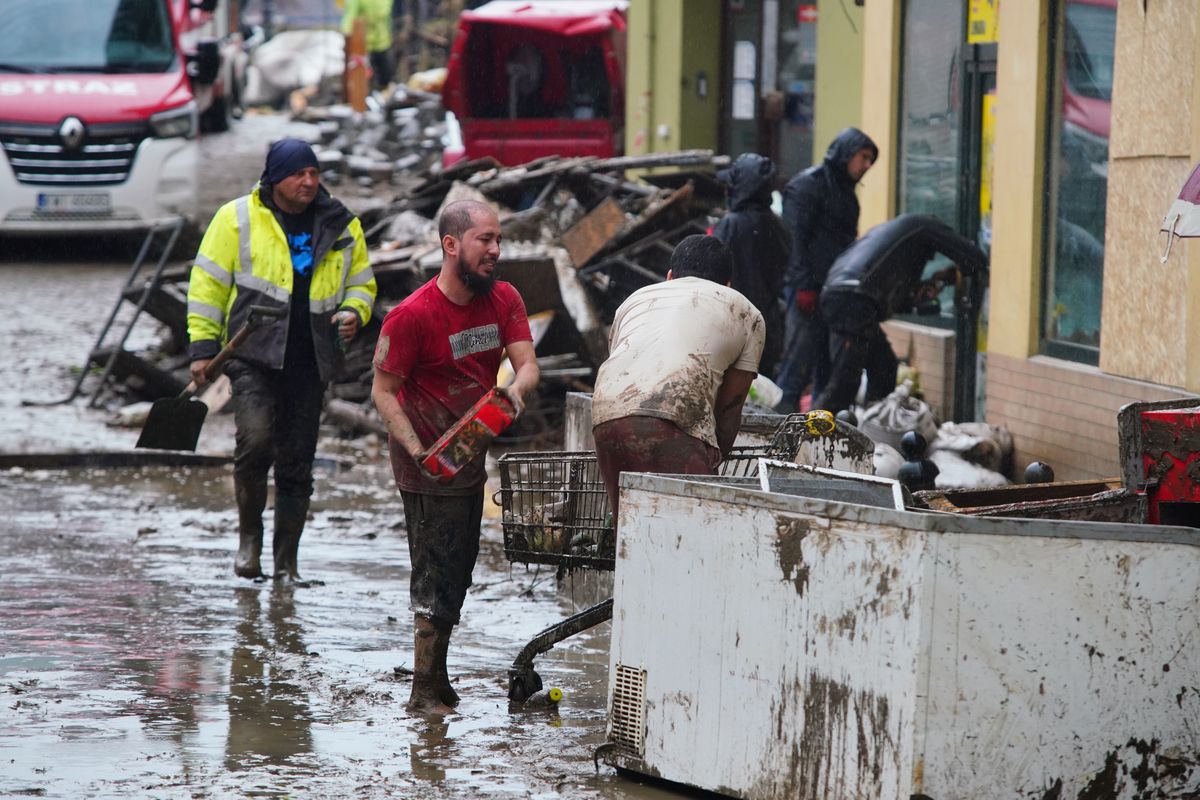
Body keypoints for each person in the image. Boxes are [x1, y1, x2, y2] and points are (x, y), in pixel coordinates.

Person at [371, 199, 540, 716]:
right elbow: (382, 390)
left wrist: (514, 392)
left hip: (469, 453)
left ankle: (438, 679)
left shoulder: (504, 298)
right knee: (434, 569)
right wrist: (417, 449)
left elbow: (528, 364)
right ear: (451, 245)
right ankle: (423, 691)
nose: (495, 250)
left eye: (498, 240)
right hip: (426, 461)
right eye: (484, 240)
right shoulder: (411, 315)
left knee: (459, 567)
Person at [187, 138, 377, 583]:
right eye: (298, 174)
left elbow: (362, 284)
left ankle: (286, 563)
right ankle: (249, 540)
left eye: (314, 173)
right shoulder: (235, 219)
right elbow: (207, 285)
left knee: (297, 462)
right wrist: (202, 348)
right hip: (251, 354)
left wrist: (353, 311)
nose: (309, 182)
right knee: (254, 443)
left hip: (310, 359)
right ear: (274, 179)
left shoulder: (341, 224)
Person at [590, 235, 765, 519]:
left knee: (628, 527)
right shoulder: (744, 310)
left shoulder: (635, 299)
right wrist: (717, 455)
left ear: (669, 276)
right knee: (693, 529)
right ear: (728, 285)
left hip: (606, 415)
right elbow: (731, 406)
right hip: (675, 412)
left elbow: (626, 367)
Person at [813, 214, 987, 414]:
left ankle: (874, 424)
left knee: (884, 368)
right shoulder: (922, 228)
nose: (930, 258)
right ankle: (806, 438)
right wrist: (971, 268)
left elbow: (890, 293)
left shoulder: (896, 238)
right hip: (852, 300)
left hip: (846, 296)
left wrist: (918, 293)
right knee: (844, 384)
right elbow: (975, 257)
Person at [775, 127, 878, 413]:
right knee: (798, 361)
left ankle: (815, 434)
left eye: (871, 160)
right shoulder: (808, 186)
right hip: (808, 288)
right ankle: (778, 428)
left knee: (825, 363)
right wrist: (803, 284)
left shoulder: (846, 194)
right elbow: (795, 240)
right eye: (863, 157)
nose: (867, 165)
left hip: (833, 292)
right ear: (846, 154)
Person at [712, 153, 791, 378]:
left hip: (731, 325)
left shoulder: (731, 225)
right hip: (767, 325)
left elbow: (713, 274)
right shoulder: (777, 225)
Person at [341, 0, 395, 90]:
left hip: (382, 43)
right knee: (364, 79)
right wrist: (348, 36)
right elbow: (350, 16)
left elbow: (388, 18)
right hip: (362, 46)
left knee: (385, 77)